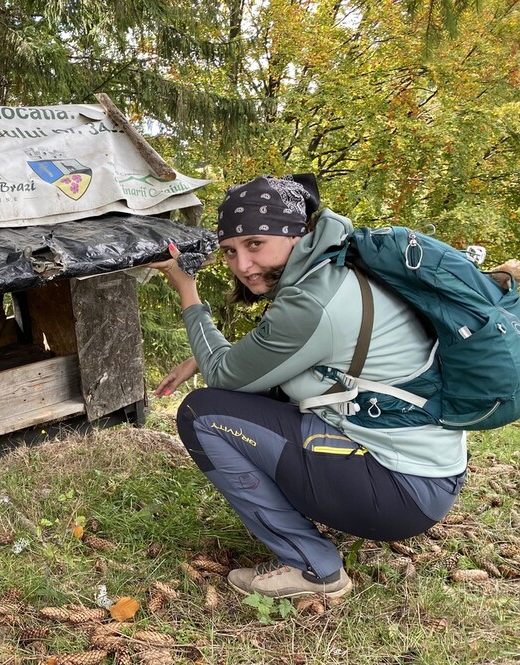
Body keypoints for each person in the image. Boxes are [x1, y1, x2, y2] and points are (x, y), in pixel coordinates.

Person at [149, 174, 467, 599]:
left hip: (400, 490)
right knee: (257, 394)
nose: (242, 265)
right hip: (428, 475)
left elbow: (226, 374)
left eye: (255, 244)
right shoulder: (337, 268)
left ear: (295, 234)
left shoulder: (312, 300)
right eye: (230, 251)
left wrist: (187, 291)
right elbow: (281, 358)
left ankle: (313, 568)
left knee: (201, 414)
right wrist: (201, 357)